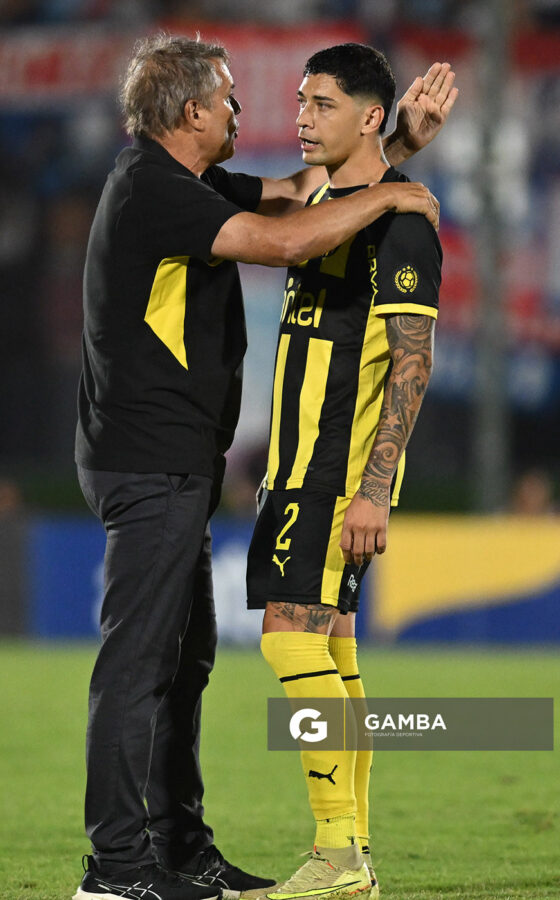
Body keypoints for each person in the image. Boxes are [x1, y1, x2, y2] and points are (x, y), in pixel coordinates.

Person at [73, 32, 455, 900]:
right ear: (191, 112)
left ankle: (283, 851)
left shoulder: (196, 184)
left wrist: (388, 155)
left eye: (317, 104)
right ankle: (122, 868)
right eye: (234, 98)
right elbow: (288, 239)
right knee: (163, 662)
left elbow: (309, 213)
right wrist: (394, 180)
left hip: (266, 474)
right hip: (157, 464)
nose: (263, 113)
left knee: (223, 655)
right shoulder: (156, 190)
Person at [246, 43, 449, 900]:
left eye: (322, 103)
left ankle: (335, 857)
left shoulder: (403, 226)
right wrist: (398, 155)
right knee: (332, 647)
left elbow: (413, 362)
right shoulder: (342, 205)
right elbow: (332, 205)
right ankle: (352, 851)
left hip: (334, 476)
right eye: (299, 100)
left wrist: (373, 489)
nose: (300, 116)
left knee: (289, 639)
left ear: (368, 114)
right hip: (302, 468)